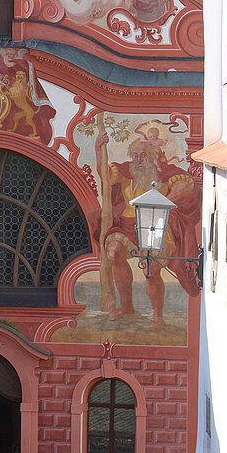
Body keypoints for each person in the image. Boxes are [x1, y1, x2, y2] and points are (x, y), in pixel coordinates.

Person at [95, 124, 200, 323]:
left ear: (151, 156)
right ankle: (126, 306)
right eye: (135, 155)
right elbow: (104, 174)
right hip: (126, 225)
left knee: (150, 270)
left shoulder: (164, 173)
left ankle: (158, 315)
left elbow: (186, 184)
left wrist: (166, 200)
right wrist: (98, 149)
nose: (138, 159)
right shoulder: (126, 171)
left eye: (143, 155)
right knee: (114, 252)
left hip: (154, 225)